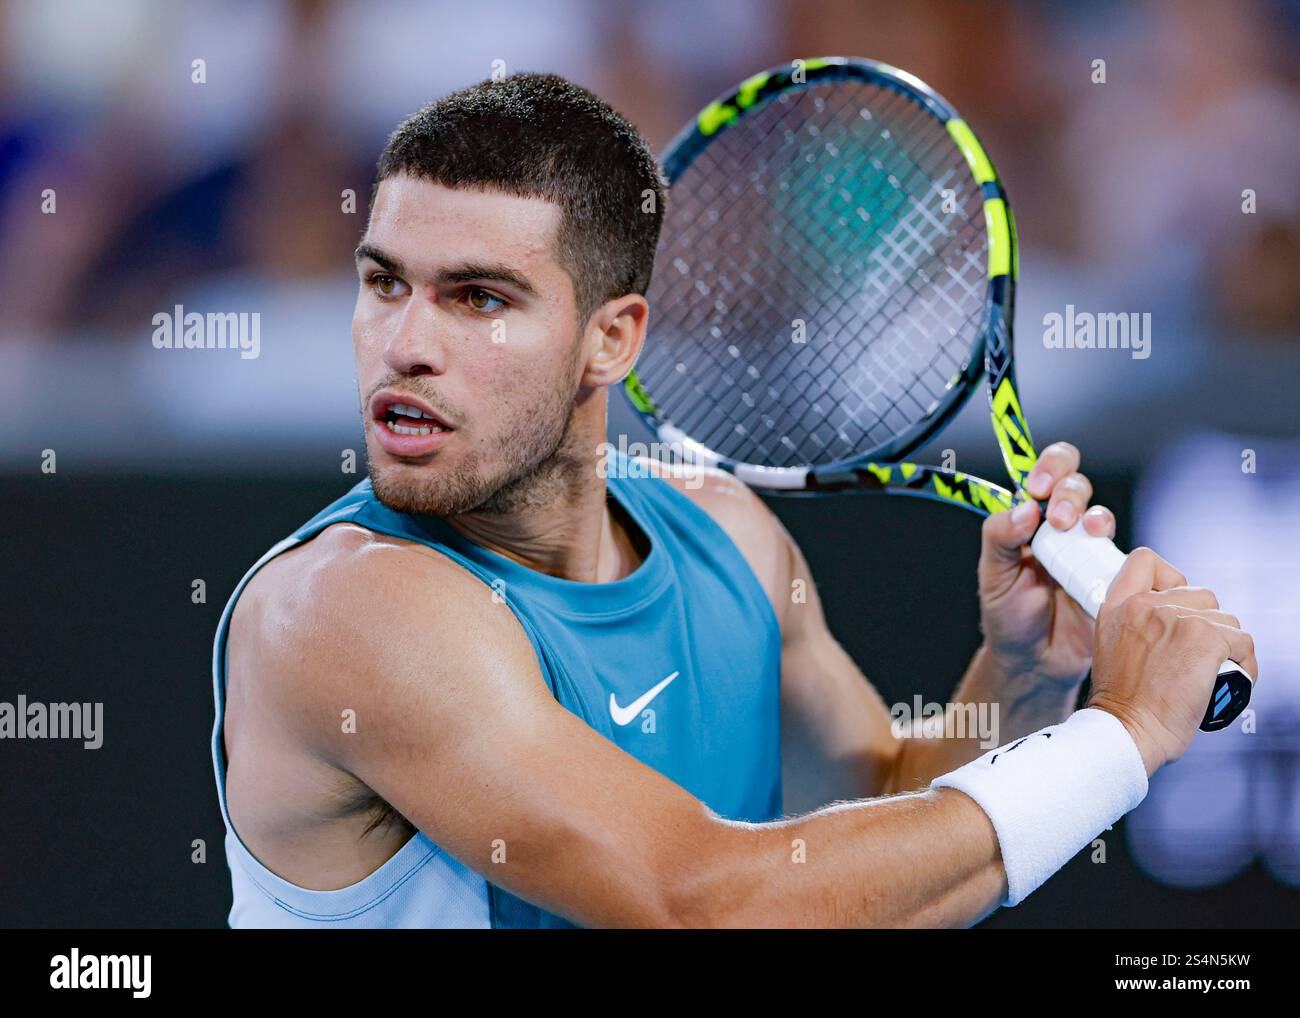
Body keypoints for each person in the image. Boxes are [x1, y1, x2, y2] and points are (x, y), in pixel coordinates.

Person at [209, 72, 1258, 928]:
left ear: (612, 338)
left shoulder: (730, 538)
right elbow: (700, 903)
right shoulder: (345, 614)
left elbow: (884, 838)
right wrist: (1121, 737)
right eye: (384, 282)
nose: (406, 345)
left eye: (478, 297)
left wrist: (1024, 673)